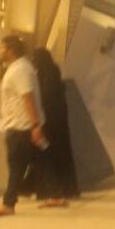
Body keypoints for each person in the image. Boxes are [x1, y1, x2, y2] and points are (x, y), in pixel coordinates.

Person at [0, 34, 47, 217]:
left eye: (3, 48)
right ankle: (55, 194)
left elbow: (27, 97)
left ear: (11, 50)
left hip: (21, 127)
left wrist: (35, 125)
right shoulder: (19, 68)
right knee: (40, 161)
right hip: (22, 124)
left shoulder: (19, 70)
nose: (1, 51)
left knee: (16, 165)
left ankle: (8, 203)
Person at [32, 48, 80, 207]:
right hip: (60, 126)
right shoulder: (54, 73)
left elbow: (43, 99)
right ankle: (69, 188)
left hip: (48, 124)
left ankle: (50, 190)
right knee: (64, 156)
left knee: (47, 157)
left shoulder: (42, 76)